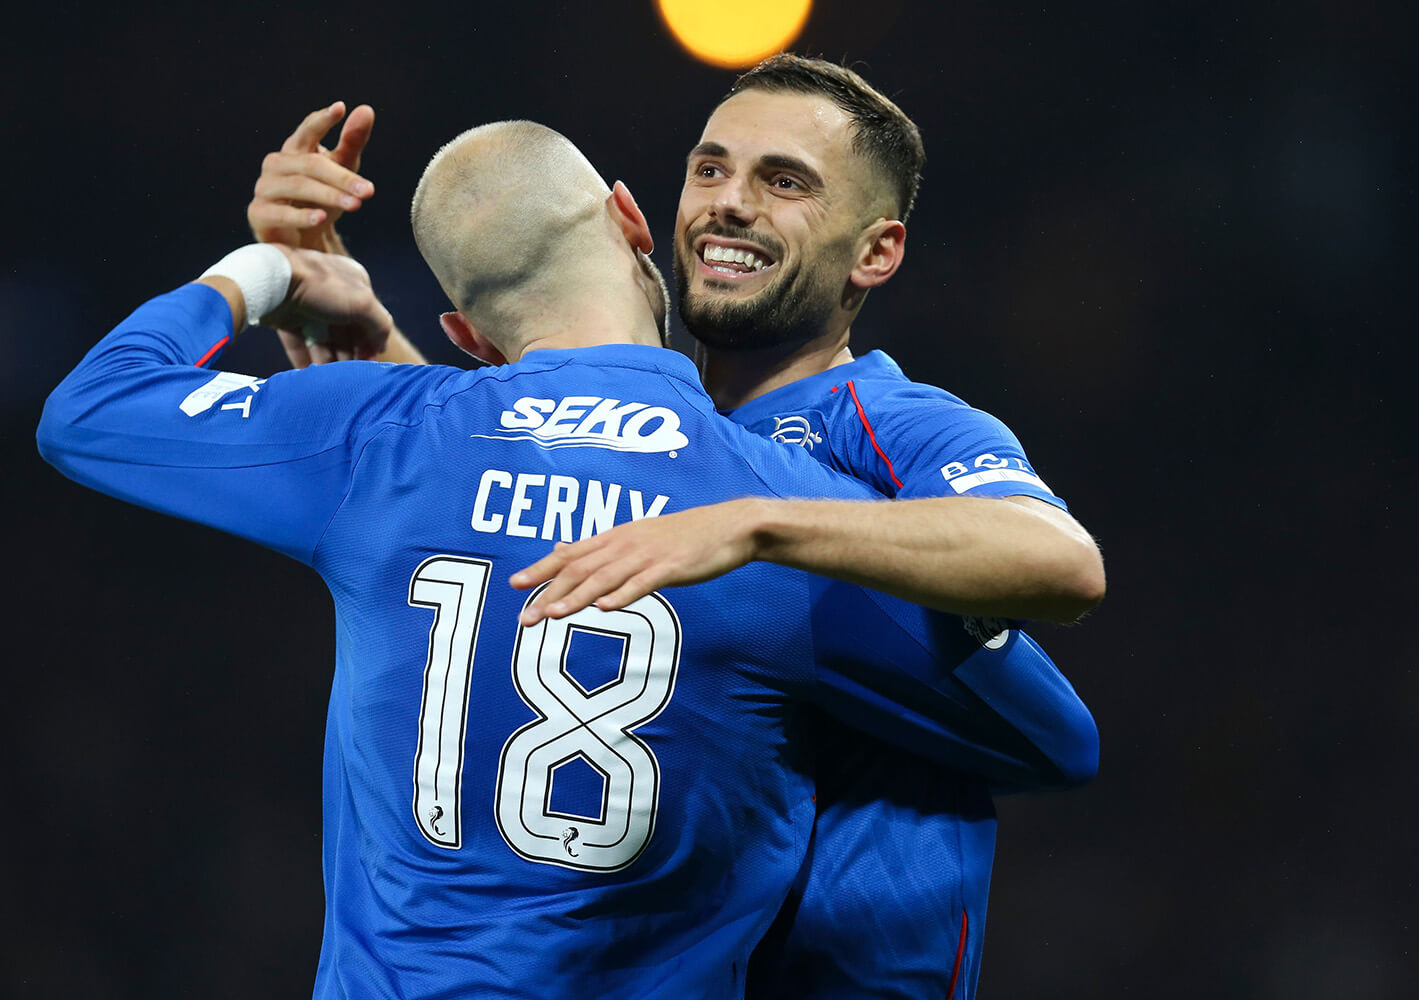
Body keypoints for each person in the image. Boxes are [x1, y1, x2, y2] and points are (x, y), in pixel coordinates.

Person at [39, 121, 1095, 999]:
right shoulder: (780, 514)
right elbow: (1050, 738)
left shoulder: (374, 436)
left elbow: (92, 409)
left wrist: (271, 268)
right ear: (637, 224)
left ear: (464, 329)